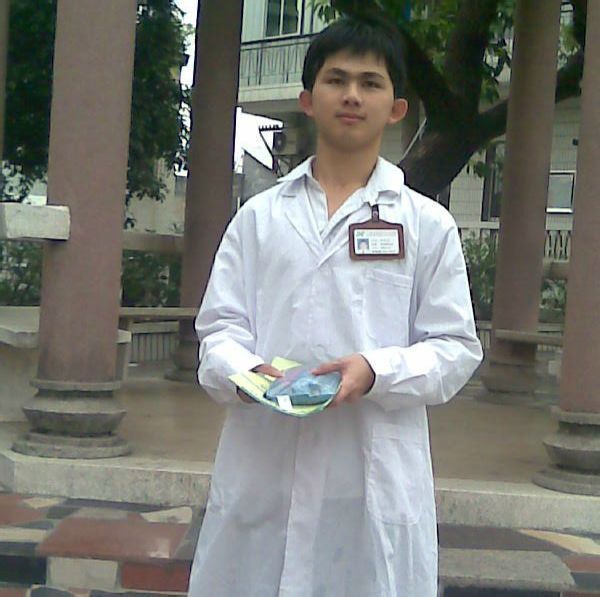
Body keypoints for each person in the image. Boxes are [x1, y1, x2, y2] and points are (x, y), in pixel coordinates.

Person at [188, 15, 482, 597]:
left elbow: (454, 348)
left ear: (396, 108)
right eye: (336, 80)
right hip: (265, 467)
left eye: (371, 83)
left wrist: (375, 370)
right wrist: (251, 375)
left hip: (369, 474)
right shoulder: (259, 219)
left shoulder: (426, 225)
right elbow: (219, 328)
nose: (352, 95)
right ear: (308, 99)